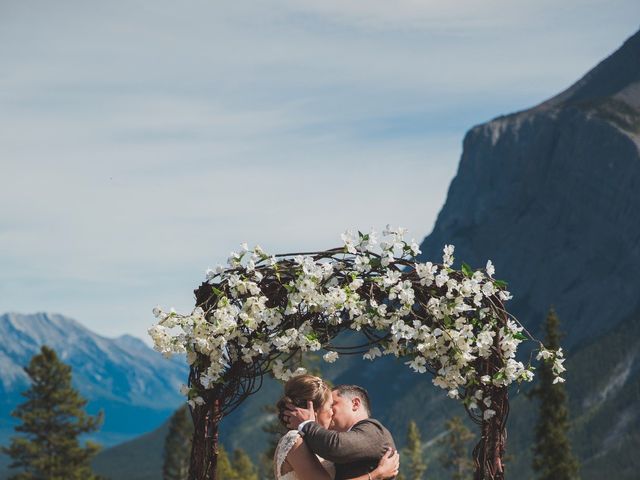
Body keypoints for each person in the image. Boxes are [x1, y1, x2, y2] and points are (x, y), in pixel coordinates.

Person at [274, 375, 399, 480]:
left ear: (355, 404)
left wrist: (307, 425)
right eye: (329, 406)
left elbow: (336, 446)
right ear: (315, 410)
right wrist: (376, 475)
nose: (331, 412)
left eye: (334, 405)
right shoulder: (296, 440)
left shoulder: (373, 430)